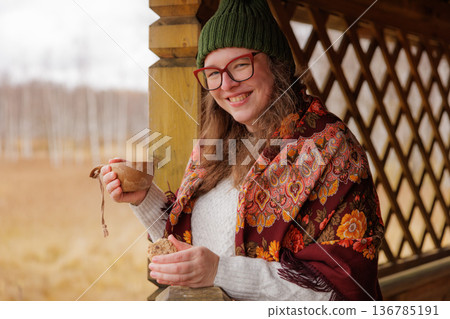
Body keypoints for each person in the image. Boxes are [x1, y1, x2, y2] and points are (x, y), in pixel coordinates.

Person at [101, 0, 384, 300]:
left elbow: (340, 289)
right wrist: (144, 199)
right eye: (213, 73)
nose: (227, 85)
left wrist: (219, 272)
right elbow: (187, 245)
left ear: (277, 65)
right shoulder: (213, 148)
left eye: (240, 65)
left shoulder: (333, 150)